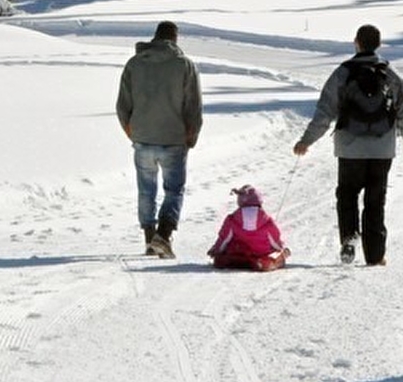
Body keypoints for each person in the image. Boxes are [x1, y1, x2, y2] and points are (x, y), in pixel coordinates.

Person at [293, 24, 403, 266]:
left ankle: (349, 238)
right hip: (382, 149)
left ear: (356, 43)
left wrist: (306, 141)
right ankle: (375, 255)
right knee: (375, 200)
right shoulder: (391, 74)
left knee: (347, 195)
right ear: (378, 45)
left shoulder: (343, 73)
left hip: (349, 148)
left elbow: (324, 112)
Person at [117, 20, 203, 258]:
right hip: (174, 138)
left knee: (146, 191)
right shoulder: (184, 65)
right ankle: (163, 235)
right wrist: (192, 135)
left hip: (142, 138)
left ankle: (149, 238)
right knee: (173, 190)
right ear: (175, 38)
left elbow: (123, 105)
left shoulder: (134, 64)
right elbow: (193, 106)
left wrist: (132, 131)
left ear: (154, 37)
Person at [208, 184, 290, 271]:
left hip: (237, 252)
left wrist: (216, 250)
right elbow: (274, 240)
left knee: (226, 255)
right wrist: (281, 248)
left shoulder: (232, 219)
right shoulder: (267, 220)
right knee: (276, 255)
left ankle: (226, 261)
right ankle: (264, 263)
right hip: (259, 254)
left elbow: (224, 238)